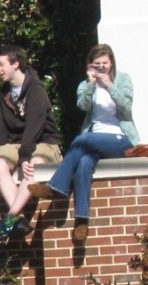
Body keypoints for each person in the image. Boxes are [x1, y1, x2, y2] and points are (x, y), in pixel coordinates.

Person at [27, 44, 138, 245]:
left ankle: (56, 186)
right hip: (95, 139)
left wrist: (110, 86)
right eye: (97, 65)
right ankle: (81, 222)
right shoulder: (86, 84)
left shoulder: (122, 80)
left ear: (111, 62)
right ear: (90, 66)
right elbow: (83, 105)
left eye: (105, 63)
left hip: (120, 139)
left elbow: (127, 107)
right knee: (84, 163)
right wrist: (91, 84)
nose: (102, 68)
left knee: (81, 140)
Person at [0, 45, 61, 224]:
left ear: (15, 64)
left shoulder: (36, 90)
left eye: (1, 64)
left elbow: (34, 128)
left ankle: (11, 215)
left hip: (45, 143)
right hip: (20, 145)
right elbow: (2, 129)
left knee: (34, 165)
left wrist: (25, 157)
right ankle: (18, 219)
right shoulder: (4, 93)